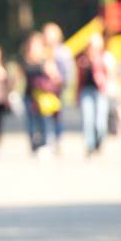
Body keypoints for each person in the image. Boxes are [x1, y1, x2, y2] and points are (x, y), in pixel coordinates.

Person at [22, 32, 61, 155]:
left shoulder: (47, 60)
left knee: (44, 121)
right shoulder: (25, 60)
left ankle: (45, 144)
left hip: (43, 97)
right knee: (31, 123)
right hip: (29, 96)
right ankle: (35, 144)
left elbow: (56, 77)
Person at [76, 31, 110, 155]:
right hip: (86, 91)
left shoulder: (105, 58)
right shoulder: (82, 61)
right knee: (87, 119)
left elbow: (110, 76)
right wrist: (77, 95)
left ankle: (99, 141)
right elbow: (79, 80)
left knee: (100, 121)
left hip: (100, 92)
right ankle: (89, 144)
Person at [43, 23, 74, 151]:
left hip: (57, 89)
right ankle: (48, 140)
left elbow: (68, 70)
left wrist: (62, 82)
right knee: (45, 116)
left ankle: (57, 139)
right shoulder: (41, 50)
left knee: (56, 115)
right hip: (43, 89)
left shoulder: (63, 51)